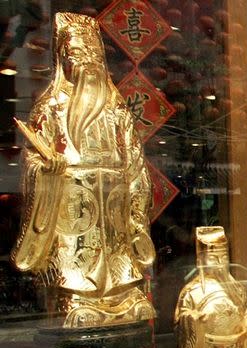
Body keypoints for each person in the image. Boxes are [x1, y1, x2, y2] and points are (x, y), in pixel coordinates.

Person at [12, 12, 155, 328]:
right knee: (79, 256)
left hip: (115, 202)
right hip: (74, 205)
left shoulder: (117, 110)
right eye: (78, 52)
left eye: (93, 52)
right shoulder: (51, 108)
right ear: (64, 58)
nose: (87, 59)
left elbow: (134, 158)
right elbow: (33, 160)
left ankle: (122, 295)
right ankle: (77, 298)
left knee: (118, 257)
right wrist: (49, 171)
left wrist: (135, 198)